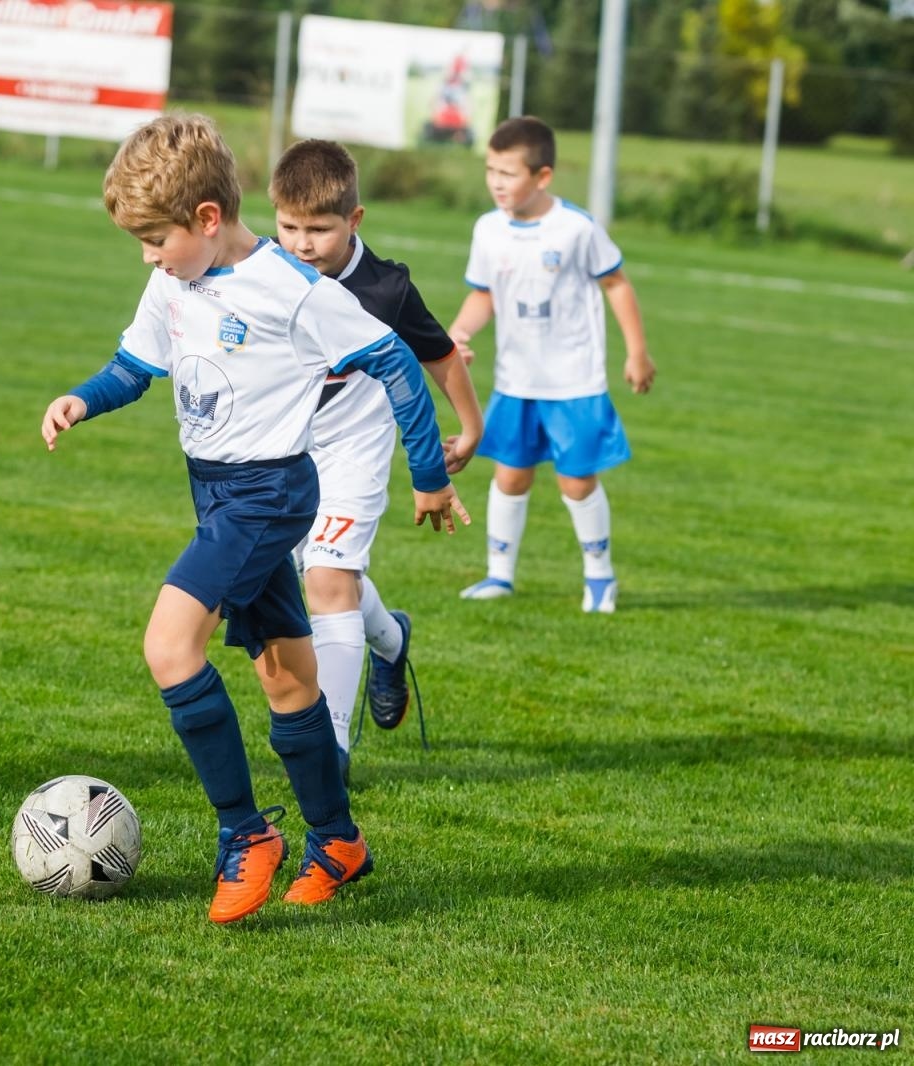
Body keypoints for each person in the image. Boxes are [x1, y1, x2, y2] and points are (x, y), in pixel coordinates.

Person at [40, 115, 469, 924]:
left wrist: (430, 478)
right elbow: (135, 365)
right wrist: (82, 399)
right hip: (212, 490)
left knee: (170, 646)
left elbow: (397, 363)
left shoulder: (292, 289)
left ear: (207, 218)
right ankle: (338, 842)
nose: (148, 257)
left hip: (268, 494)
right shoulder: (175, 279)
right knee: (286, 678)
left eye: (155, 240)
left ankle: (245, 833)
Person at [269, 139, 484, 776]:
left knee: (327, 583)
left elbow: (440, 355)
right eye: (288, 228)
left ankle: (330, 751)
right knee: (312, 576)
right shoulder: (265, 270)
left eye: (318, 230)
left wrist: (470, 427)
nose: (302, 244)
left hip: (354, 457)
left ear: (354, 220)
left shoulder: (385, 288)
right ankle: (391, 640)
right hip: (280, 458)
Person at [447, 116, 655, 613]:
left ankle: (600, 577)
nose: (496, 182)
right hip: (516, 381)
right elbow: (483, 294)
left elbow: (616, 284)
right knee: (510, 475)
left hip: (574, 381)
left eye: (508, 173)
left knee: (576, 481)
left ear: (542, 176)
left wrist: (637, 351)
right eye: (491, 170)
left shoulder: (577, 228)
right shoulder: (488, 229)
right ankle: (499, 574)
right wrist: (458, 333)